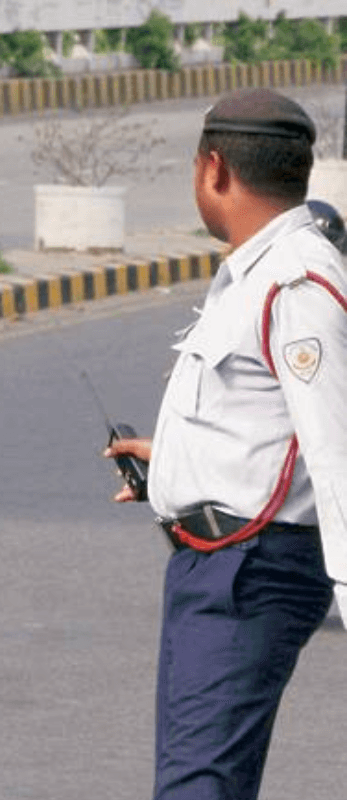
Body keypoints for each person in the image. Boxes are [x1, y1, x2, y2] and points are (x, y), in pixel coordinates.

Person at [105, 88, 347, 800]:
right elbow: (258, 419)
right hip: (212, 563)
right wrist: (173, 464)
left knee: (197, 787)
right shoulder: (255, 269)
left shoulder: (297, 281)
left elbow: (335, 449)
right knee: (198, 782)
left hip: (251, 573)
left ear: (213, 168)